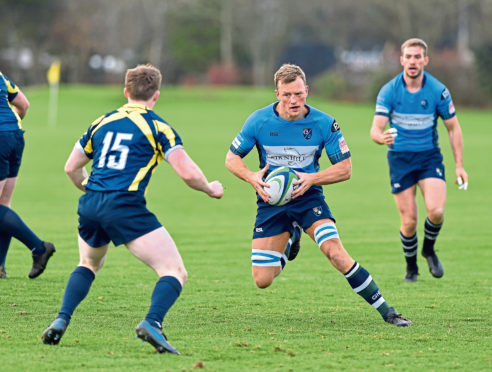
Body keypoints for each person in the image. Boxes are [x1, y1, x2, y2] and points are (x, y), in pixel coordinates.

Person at [41, 64, 224, 354]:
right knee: (174, 271)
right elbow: (188, 173)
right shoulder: (158, 127)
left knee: (88, 264)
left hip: (90, 203)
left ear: (126, 92)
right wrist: (210, 188)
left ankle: (61, 320)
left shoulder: (101, 121)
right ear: (156, 95)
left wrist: (90, 188)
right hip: (124, 204)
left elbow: (71, 168)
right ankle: (152, 323)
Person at [225, 63, 412, 327]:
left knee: (335, 253)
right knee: (262, 280)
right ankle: (291, 237)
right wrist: (251, 177)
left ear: (307, 91)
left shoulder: (325, 123)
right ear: (277, 93)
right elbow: (231, 159)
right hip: (272, 201)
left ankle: (388, 312)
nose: (294, 100)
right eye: (287, 94)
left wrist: (312, 178)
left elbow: (345, 169)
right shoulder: (259, 121)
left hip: (309, 199)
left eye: (299, 94)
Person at [370, 38, 468, 282]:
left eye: (417, 57)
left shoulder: (438, 91)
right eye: (408, 56)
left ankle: (428, 250)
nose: (413, 61)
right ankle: (411, 267)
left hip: (428, 157)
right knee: (410, 220)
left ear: (425, 60)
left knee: (436, 211)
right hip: (400, 160)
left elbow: (454, 128)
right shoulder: (389, 91)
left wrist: (459, 165)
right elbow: (375, 129)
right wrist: (380, 138)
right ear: (402, 60)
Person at [0, 71, 55, 279]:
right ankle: (0, 266)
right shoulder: (1, 76)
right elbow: (23, 104)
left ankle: (39, 248)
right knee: (3, 205)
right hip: (15, 135)